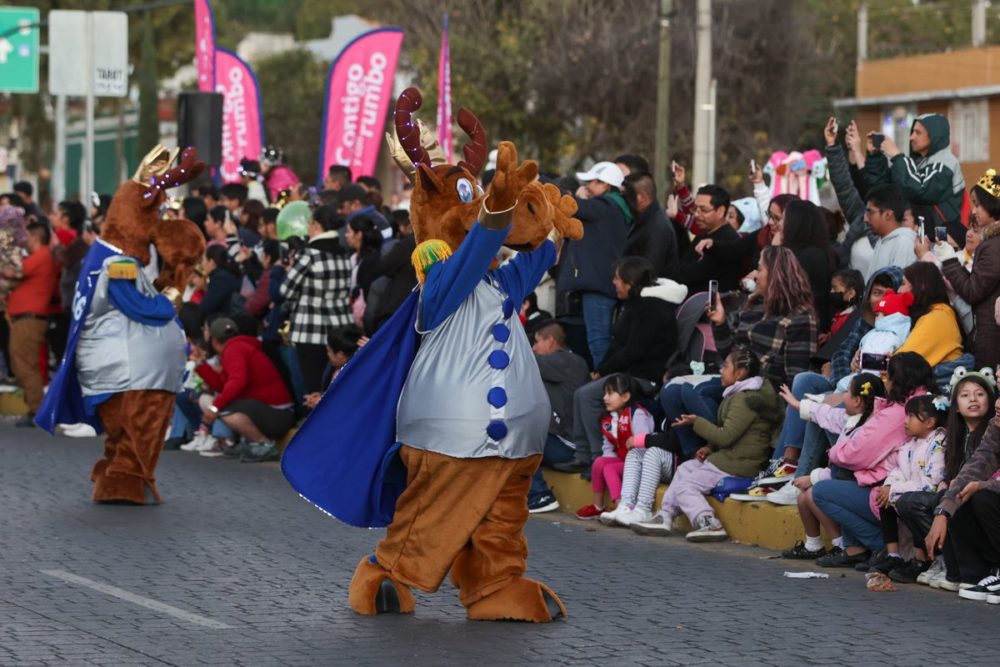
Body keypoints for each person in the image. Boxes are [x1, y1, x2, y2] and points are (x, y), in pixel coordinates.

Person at [631, 347, 781, 542]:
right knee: (685, 468)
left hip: (739, 464)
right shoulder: (737, 394)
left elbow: (726, 436)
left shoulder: (745, 400)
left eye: (726, 366)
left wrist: (697, 422)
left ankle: (709, 523)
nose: (720, 369)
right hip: (730, 458)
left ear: (740, 373)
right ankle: (665, 515)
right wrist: (709, 448)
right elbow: (732, 435)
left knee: (686, 486)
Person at [553, 256, 682, 474]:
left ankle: (595, 459)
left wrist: (603, 370)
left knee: (587, 396)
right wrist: (601, 369)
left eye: (617, 278)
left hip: (644, 376)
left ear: (629, 282)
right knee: (581, 393)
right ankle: (583, 454)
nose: (613, 282)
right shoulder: (636, 305)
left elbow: (634, 350)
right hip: (627, 372)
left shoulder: (650, 307)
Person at [810, 352, 936, 567]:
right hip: (893, 486)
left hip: (893, 494)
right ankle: (860, 547)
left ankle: (880, 546)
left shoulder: (900, 411)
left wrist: (832, 453)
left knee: (821, 491)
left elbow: (856, 454)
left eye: (890, 376)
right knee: (842, 474)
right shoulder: (919, 403)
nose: (886, 380)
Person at [908, 368, 997, 589]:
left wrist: (983, 485)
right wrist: (943, 511)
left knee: (981, 495)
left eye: (981, 393)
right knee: (960, 494)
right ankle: (967, 574)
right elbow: (973, 469)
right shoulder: (994, 426)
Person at [780, 373, 886, 559]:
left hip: (861, 488)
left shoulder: (868, 430)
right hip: (840, 479)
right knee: (804, 497)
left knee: (814, 493)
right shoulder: (851, 419)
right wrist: (796, 404)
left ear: (857, 401)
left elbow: (848, 473)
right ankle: (813, 545)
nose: (842, 396)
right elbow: (825, 414)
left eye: (847, 392)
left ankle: (841, 545)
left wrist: (813, 477)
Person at [708, 245, 817, 388]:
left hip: (766, 392)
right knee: (678, 391)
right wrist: (720, 324)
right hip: (736, 383)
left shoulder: (800, 316)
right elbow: (729, 355)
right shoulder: (752, 305)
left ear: (775, 275)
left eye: (759, 269)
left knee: (699, 393)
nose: (754, 275)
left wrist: (749, 371)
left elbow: (796, 377)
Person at [555, 160, 629, 368]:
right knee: (597, 341)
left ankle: (604, 384)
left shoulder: (605, 206)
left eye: (593, 182)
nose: (588, 186)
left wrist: (543, 184)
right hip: (602, 284)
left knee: (598, 343)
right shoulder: (615, 208)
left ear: (606, 185)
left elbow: (572, 205)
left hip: (598, 287)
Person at [926, 168, 1000, 371]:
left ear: (992, 207)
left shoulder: (995, 246)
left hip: (992, 338)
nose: (973, 211)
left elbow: (973, 291)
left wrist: (949, 259)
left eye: (978, 205)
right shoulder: (991, 242)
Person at [194, 317, 296, 462]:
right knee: (208, 401)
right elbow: (224, 386)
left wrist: (215, 408)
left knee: (222, 407)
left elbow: (237, 382)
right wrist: (202, 367)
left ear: (215, 341)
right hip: (274, 411)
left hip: (278, 413)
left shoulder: (235, 349)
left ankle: (263, 443)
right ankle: (250, 442)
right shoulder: (236, 347)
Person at [870, 394, 947, 583]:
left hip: (929, 498)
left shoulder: (939, 443)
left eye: (912, 416)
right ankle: (893, 555)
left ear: (929, 422)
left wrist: (895, 488)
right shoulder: (909, 445)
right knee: (884, 496)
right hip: (908, 491)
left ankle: (922, 559)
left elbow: (931, 483)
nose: (905, 421)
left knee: (908, 503)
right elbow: (899, 470)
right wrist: (889, 485)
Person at [279, 204, 353, 394]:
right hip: (340, 327)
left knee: (314, 387)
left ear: (316, 225)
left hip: (310, 330)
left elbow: (286, 290)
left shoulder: (309, 254)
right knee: (337, 385)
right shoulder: (344, 253)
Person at [864, 113, 967, 246]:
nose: (912, 137)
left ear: (934, 135)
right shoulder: (916, 164)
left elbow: (921, 191)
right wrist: (875, 156)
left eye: (918, 133)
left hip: (942, 239)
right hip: (920, 239)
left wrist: (897, 156)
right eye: (912, 132)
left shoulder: (947, 164)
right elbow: (884, 189)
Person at [527, 322, 592, 513]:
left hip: (569, 446)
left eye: (537, 342)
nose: (534, 347)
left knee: (519, 437)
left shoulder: (566, 361)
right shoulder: (561, 363)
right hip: (560, 442)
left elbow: (523, 361)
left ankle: (539, 496)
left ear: (550, 341)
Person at [573, 375, 655, 520]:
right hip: (622, 461)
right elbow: (608, 449)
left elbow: (644, 448)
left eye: (610, 393)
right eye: (605, 393)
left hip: (639, 465)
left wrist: (613, 465)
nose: (605, 398)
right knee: (599, 462)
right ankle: (598, 505)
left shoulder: (638, 414)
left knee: (609, 468)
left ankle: (622, 506)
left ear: (625, 396)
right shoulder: (609, 418)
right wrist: (606, 463)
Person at [7, 222, 59, 427]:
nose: (24, 241)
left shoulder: (42, 255)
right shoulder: (40, 257)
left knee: (25, 366)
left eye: (26, 237)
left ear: (35, 237)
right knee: (21, 364)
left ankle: (37, 409)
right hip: (24, 319)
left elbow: (15, 272)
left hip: (29, 319)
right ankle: (35, 407)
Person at [671, 184, 744, 293]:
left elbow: (689, 275)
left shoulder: (728, 240)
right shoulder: (704, 233)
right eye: (695, 209)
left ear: (720, 211)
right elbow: (682, 265)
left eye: (703, 210)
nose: (696, 214)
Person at [895, 262, 963, 372]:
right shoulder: (935, 315)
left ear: (922, 286)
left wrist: (873, 362)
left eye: (903, 284)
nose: (899, 291)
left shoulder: (938, 317)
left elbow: (900, 363)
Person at [780, 199, 837, 329]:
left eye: (783, 219)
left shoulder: (810, 256)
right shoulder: (816, 251)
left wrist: (775, 250)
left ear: (795, 223)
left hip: (805, 326)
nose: (779, 224)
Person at [621, 171, 679, 278]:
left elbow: (649, 272)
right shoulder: (642, 220)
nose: (622, 201)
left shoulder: (657, 228)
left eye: (626, 196)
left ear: (642, 197)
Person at [863, 184, 917, 279]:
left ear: (888, 214)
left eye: (870, 212)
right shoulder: (882, 240)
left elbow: (899, 288)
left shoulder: (904, 243)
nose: (866, 219)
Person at [199, 245, 243, 318]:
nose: (202, 264)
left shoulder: (220, 279)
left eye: (203, 260)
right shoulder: (224, 274)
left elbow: (206, 308)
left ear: (211, 262)